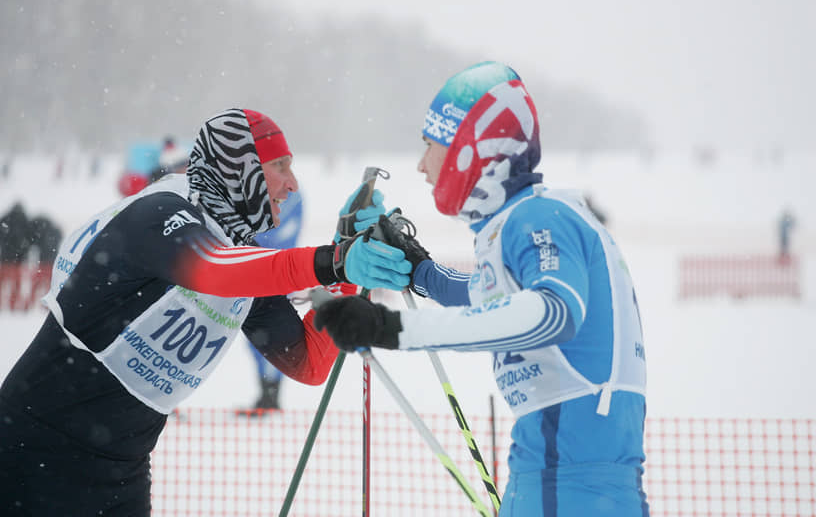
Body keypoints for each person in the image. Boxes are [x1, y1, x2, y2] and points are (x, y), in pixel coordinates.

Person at [0, 108, 412, 515]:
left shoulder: (239, 257)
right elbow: (212, 270)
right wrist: (336, 259)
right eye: (280, 166)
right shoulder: (160, 211)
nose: (292, 184)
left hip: (121, 473)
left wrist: (345, 263)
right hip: (34, 450)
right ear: (240, 169)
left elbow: (308, 362)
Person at [314, 62, 650, 516]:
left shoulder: (539, 218)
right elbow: (487, 299)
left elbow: (554, 312)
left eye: (430, 146)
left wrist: (390, 327)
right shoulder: (521, 222)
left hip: (570, 484)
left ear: (469, 150)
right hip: (547, 472)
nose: (420, 165)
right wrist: (420, 271)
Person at [244, 189, 305, 412]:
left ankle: (271, 394)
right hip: (254, 272)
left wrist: (253, 241)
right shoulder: (256, 189)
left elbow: (285, 232)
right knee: (254, 338)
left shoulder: (292, 194)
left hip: (277, 273)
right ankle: (265, 394)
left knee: (273, 336)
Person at [0, 202, 32, 311]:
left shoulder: (5, 218)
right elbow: (30, 238)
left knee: (3, 282)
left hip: (5, 258)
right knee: (16, 284)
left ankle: (2, 304)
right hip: (18, 259)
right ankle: (12, 304)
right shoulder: (25, 220)